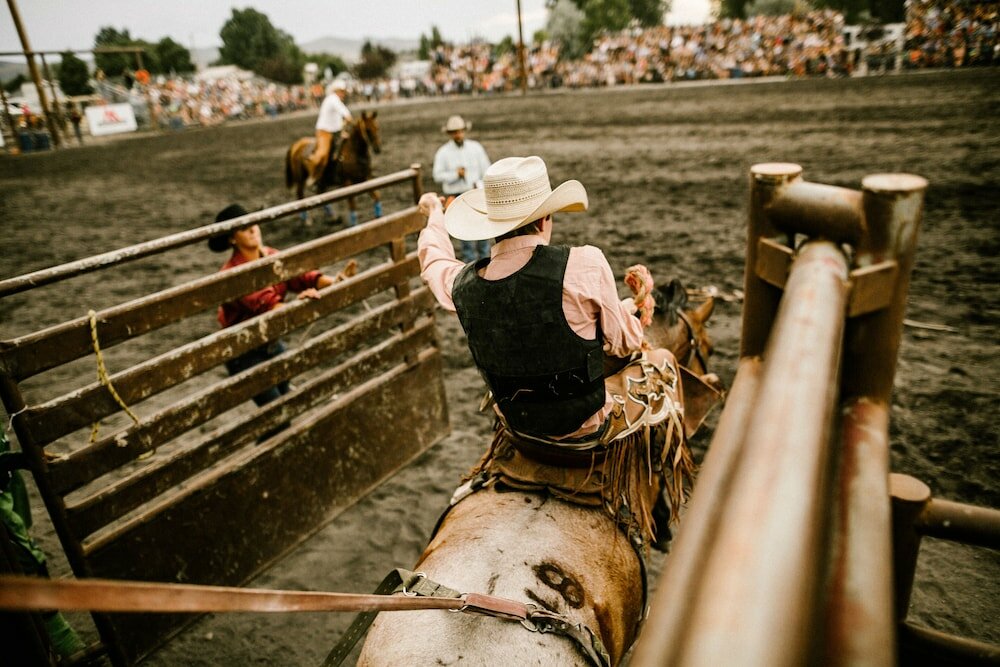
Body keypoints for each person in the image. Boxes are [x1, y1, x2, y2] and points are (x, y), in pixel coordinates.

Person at [417, 156, 692, 549]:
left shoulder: (462, 285)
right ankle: (661, 499)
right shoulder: (584, 263)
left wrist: (432, 217)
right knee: (662, 361)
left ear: (491, 228)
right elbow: (625, 343)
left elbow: (434, 262)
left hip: (521, 428)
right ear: (546, 219)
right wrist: (628, 313)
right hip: (584, 428)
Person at [209, 204, 356, 408]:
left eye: (253, 223)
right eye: (244, 228)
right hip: (244, 352)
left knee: (286, 407)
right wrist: (298, 304)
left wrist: (334, 281)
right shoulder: (233, 275)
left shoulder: (270, 255)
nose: (253, 229)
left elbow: (301, 276)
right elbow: (266, 305)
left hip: (270, 342)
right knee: (277, 411)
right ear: (232, 239)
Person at [1, 430, 86, 660]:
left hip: (7, 503)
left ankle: (57, 639)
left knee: (27, 558)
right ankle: (60, 640)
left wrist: (17, 459)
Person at [432, 115, 492, 263]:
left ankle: (485, 262)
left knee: (483, 231)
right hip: (457, 195)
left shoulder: (476, 148)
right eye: (454, 132)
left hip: (475, 193)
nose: (457, 134)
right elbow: (437, 175)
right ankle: (471, 265)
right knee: (465, 235)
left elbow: (487, 171)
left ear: (464, 131)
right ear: (449, 134)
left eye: (459, 131)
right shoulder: (443, 153)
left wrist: (479, 184)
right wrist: (455, 175)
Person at [306, 80, 353, 189]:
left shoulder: (334, 100)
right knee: (323, 154)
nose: (344, 94)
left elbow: (341, 118)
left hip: (335, 131)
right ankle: (313, 177)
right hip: (324, 131)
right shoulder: (333, 99)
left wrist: (343, 128)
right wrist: (348, 119)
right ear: (336, 91)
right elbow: (345, 113)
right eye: (342, 91)